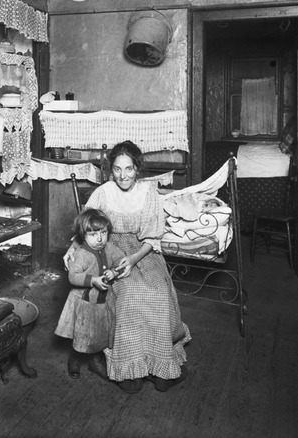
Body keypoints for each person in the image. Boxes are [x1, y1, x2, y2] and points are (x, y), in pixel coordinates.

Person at [64, 140, 191, 394]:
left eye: (129, 169)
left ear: (137, 169)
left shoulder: (149, 193)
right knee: (129, 293)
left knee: (156, 291)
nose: (123, 175)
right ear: (111, 170)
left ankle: (159, 363)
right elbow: (86, 226)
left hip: (143, 251)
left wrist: (133, 260)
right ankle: (127, 364)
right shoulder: (103, 192)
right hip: (108, 249)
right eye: (118, 169)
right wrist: (74, 247)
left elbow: (152, 238)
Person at [55, 209, 126, 380]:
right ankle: (75, 358)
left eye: (103, 232)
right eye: (93, 234)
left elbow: (121, 259)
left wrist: (114, 272)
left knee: (100, 330)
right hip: (84, 303)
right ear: (83, 235)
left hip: (102, 302)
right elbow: (73, 276)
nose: (100, 238)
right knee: (83, 332)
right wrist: (93, 279)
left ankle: (95, 360)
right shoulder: (82, 254)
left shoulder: (109, 248)